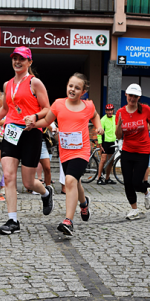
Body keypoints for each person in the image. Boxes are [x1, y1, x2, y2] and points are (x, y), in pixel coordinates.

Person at [0, 47, 54, 235]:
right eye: (14, 58)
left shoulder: (35, 83)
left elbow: (48, 108)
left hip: (31, 133)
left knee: (29, 183)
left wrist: (35, 116)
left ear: (29, 62)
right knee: (9, 176)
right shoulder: (7, 85)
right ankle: (13, 220)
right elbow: (5, 109)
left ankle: (46, 193)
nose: (17, 61)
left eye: (22, 59)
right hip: (11, 131)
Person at [28, 73, 100, 237]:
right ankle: (84, 203)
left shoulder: (88, 105)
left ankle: (68, 220)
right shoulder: (58, 104)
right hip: (66, 151)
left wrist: (98, 127)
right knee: (76, 182)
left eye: (77, 88)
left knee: (69, 181)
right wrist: (33, 125)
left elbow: (95, 116)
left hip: (82, 151)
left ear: (83, 91)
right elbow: (46, 121)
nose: (72, 89)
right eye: (70, 86)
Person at [116, 83, 150, 220]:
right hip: (127, 150)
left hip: (142, 151)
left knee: (136, 182)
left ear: (139, 97)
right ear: (126, 95)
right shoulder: (120, 112)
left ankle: (146, 191)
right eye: (130, 95)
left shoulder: (145, 110)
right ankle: (134, 209)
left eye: (135, 96)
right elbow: (118, 136)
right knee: (127, 182)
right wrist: (119, 125)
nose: (132, 98)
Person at [97, 103, 118, 185]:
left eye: (111, 110)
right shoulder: (103, 120)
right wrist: (100, 144)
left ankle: (107, 178)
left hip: (112, 142)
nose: (110, 112)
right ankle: (99, 178)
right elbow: (99, 132)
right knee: (103, 160)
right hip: (105, 142)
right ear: (106, 111)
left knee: (111, 161)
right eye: (108, 110)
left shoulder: (115, 118)